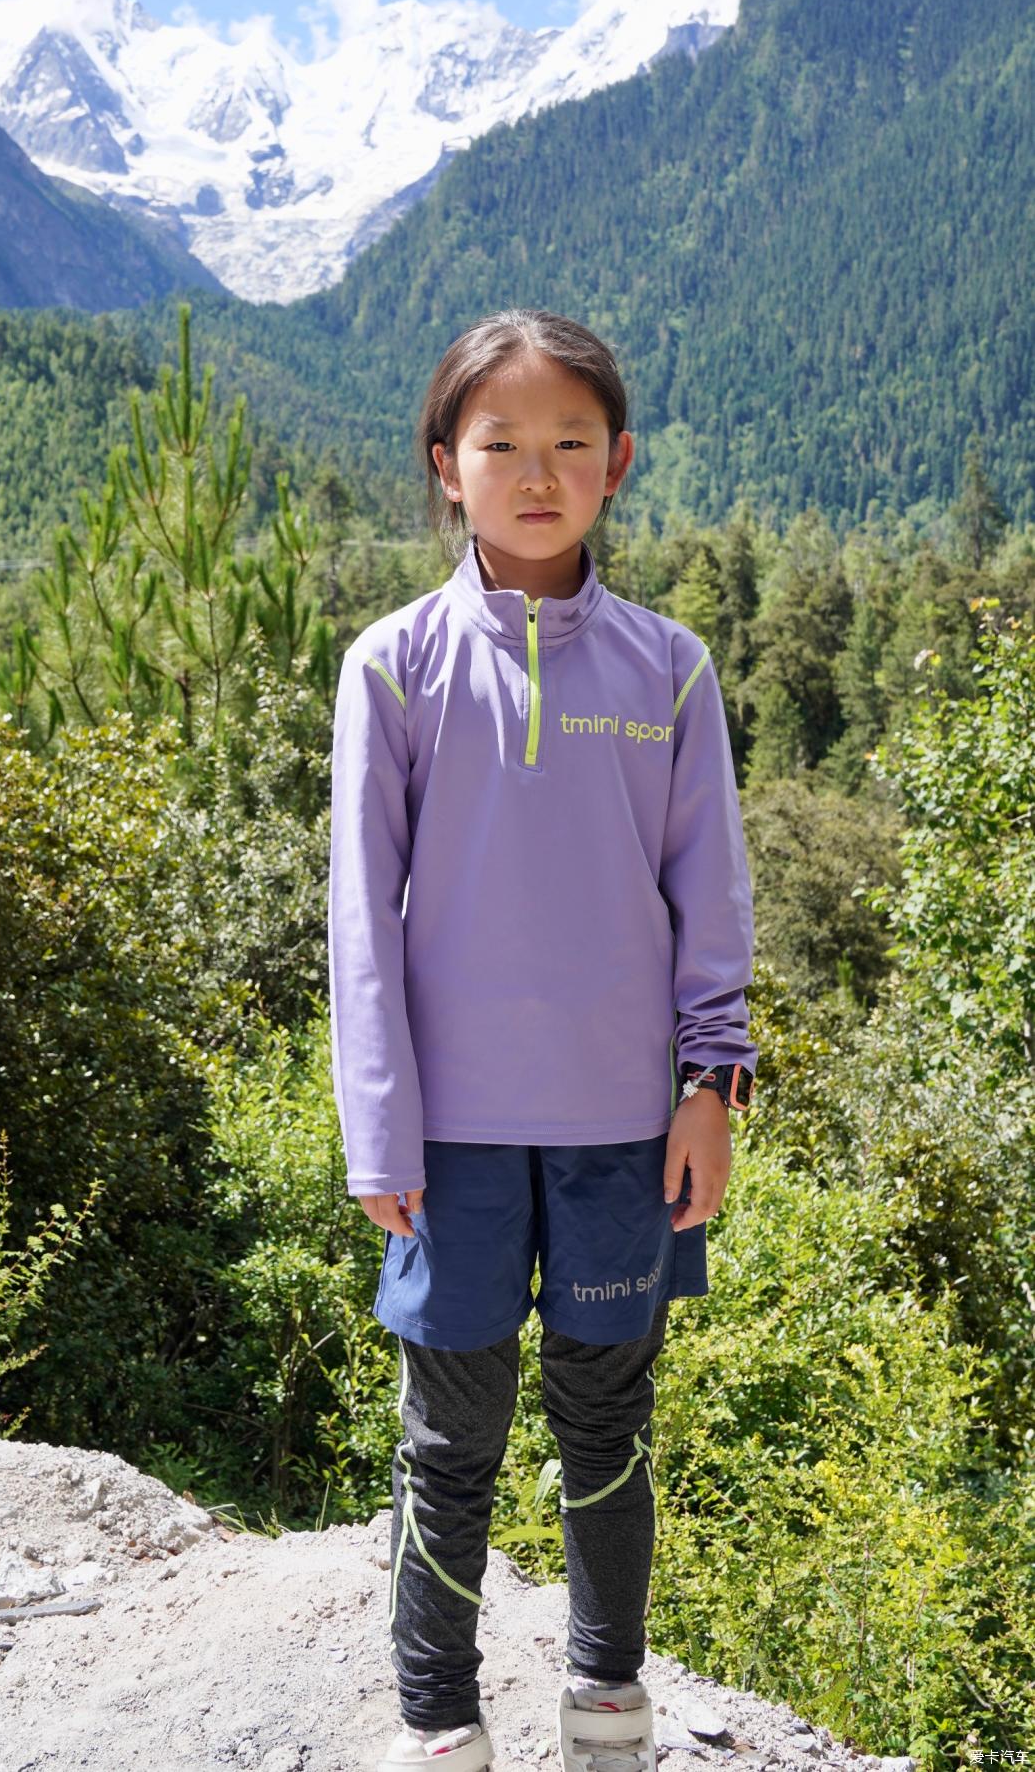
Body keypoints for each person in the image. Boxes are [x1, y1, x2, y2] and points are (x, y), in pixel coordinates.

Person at [327, 308, 757, 1772]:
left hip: (622, 1126)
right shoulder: (391, 668)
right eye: (499, 440)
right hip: (447, 1139)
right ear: (445, 464)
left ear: (618, 462)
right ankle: (441, 1723)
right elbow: (360, 926)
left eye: (570, 440)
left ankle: (605, 1703)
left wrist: (711, 1082)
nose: (535, 468)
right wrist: (376, 1131)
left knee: (605, 1423)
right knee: (449, 1439)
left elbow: (712, 896)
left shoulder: (670, 673)